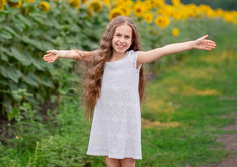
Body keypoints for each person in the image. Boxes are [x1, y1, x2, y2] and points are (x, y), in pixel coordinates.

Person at [43, 15, 216, 167]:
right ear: (110, 36)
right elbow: (79, 54)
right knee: (110, 158)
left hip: (127, 119)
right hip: (107, 116)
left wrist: (192, 44)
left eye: (127, 37)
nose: (122, 40)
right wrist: (60, 53)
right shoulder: (102, 57)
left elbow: (163, 50)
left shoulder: (134, 59)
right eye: (118, 35)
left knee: (127, 160)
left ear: (132, 41)